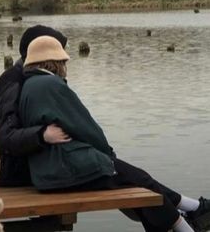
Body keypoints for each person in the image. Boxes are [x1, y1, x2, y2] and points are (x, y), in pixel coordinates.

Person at [18, 35, 210, 232]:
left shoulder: (29, 87)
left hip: (48, 172)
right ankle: (188, 223)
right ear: (56, 62)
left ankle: (192, 209)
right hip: (68, 169)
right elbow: (86, 128)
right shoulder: (52, 86)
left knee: (139, 184)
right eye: (64, 62)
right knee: (142, 183)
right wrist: (107, 155)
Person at [0, 25, 71, 186]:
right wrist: (42, 135)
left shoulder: (31, 77)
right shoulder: (13, 81)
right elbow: (5, 137)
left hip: (4, 164)